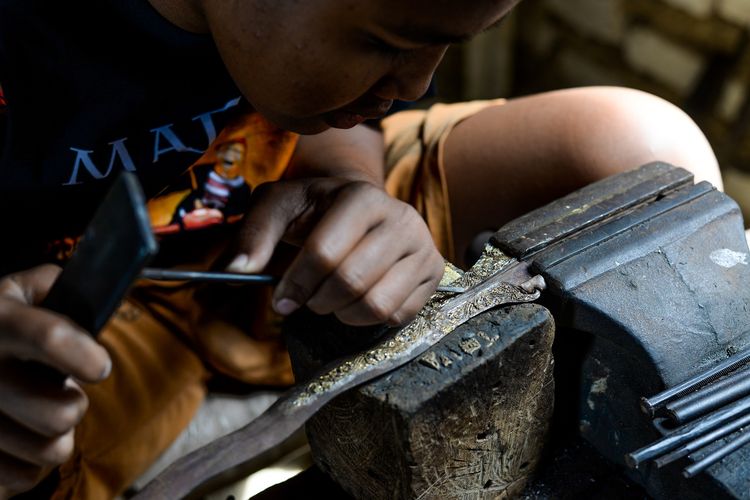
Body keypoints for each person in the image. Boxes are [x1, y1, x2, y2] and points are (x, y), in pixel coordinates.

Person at [0, 0, 722, 498]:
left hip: (279, 210)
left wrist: (347, 185)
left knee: (644, 158)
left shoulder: (323, 68)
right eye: (388, 43)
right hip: (79, 331)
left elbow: (349, 124)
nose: (417, 83)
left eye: (449, 44)